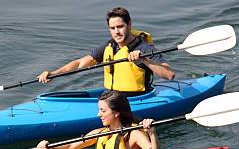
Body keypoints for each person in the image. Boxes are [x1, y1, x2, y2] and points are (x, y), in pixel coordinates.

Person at [36, 7, 175, 96]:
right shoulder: (109, 46)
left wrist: (144, 60)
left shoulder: (144, 48)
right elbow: (80, 63)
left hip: (137, 99)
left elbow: (169, 75)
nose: (116, 32)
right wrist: (53, 73)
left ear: (129, 24)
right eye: (112, 28)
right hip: (111, 98)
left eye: (120, 26)